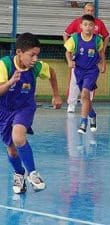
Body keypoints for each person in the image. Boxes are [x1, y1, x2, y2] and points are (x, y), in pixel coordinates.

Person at [0, 32, 62, 194]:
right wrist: (10, 82)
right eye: (32, 55)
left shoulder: (37, 67)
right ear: (19, 52)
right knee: (12, 149)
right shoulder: (5, 65)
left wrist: (55, 95)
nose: (35, 59)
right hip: (5, 110)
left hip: (25, 107)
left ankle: (33, 173)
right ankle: (19, 174)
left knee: (19, 137)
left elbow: (52, 73)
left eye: (37, 55)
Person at [63, 2, 110, 113]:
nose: (90, 12)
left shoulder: (99, 23)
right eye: (87, 10)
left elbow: (107, 36)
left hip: (93, 60)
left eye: (91, 10)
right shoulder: (77, 22)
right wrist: (69, 48)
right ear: (84, 11)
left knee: (91, 83)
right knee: (74, 82)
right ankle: (72, 103)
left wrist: (103, 49)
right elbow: (65, 33)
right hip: (79, 59)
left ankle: (88, 103)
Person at [64, 14, 106, 134]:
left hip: (92, 71)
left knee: (84, 94)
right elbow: (68, 52)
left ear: (94, 27)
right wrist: (69, 61)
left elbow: (101, 52)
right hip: (79, 71)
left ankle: (83, 122)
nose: (88, 27)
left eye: (91, 25)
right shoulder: (75, 38)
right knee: (85, 97)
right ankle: (92, 114)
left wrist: (103, 65)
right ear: (81, 26)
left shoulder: (97, 40)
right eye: (85, 25)